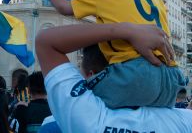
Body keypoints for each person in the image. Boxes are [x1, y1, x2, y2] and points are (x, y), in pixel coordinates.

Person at [42, 0, 184, 108]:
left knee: (83, 92)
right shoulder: (157, 0)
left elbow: (63, 7)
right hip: (171, 78)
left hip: (134, 74)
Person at [35, 22, 192, 132]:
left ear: (92, 75)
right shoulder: (183, 121)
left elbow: (46, 41)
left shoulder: (80, 117)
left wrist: (127, 30)